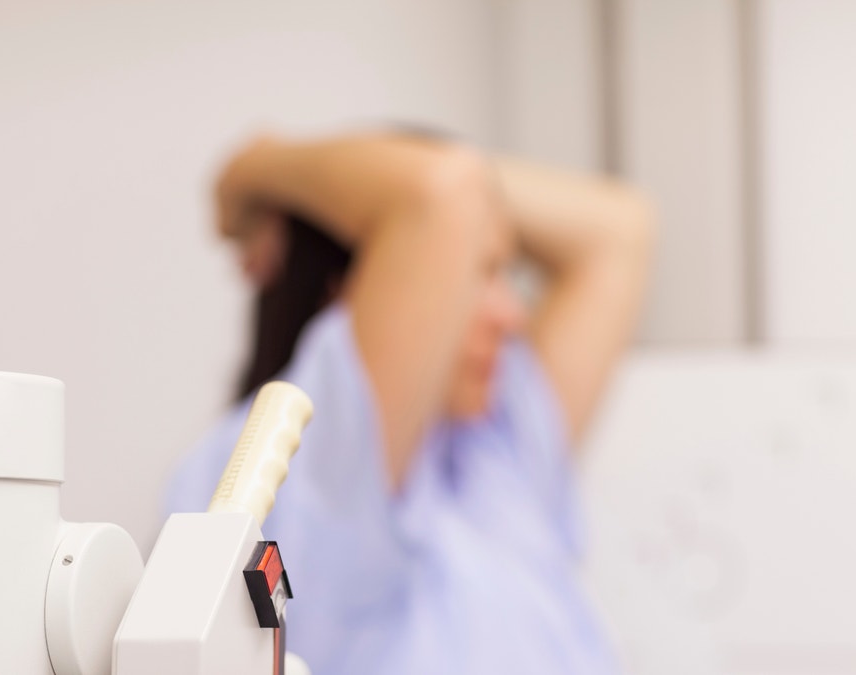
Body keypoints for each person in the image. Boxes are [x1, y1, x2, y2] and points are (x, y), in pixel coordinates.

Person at [165, 131, 653, 674]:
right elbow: (441, 192)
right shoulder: (307, 461)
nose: (512, 316)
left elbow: (618, 228)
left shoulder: (494, 450)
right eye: (481, 273)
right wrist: (252, 170)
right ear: (351, 294)